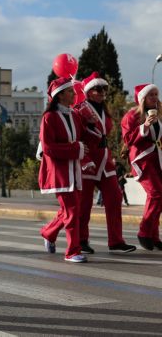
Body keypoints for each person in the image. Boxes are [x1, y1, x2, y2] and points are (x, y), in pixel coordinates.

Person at [75, 73, 136, 254]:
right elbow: (77, 137)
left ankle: (116, 241)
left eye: (104, 89)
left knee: (115, 197)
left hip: (105, 161)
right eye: (97, 89)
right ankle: (81, 240)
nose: (102, 92)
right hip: (87, 161)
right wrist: (84, 158)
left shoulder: (104, 110)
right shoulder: (80, 110)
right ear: (88, 92)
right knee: (84, 204)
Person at [38, 77, 89, 263]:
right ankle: (72, 252)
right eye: (70, 91)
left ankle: (48, 233)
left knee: (68, 210)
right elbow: (48, 148)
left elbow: (83, 140)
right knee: (72, 210)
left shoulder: (75, 116)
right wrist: (76, 149)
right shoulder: (48, 118)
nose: (74, 94)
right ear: (60, 96)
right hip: (59, 173)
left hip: (74, 170)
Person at [121, 83, 162, 250]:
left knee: (160, 197)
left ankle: (154, 236)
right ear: (143, 99)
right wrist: (145, 125)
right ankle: (144, 232)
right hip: (142, 160)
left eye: (156, 94)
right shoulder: (132, 116)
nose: (154, 97)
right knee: (156, 194)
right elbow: (128, 140)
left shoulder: (159, 114)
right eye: (151, 95)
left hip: (157, 158)